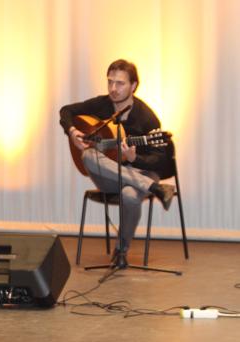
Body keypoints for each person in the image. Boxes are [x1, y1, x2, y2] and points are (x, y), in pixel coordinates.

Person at [59, 59, 175, 268]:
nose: (113, 88)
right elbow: (65, 111)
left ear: (133, 86)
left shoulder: (147, 118)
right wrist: (73, 131)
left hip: (143, 171)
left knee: (130, 196)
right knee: (87, 156)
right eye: (110, 82)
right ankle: (155, 189)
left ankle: (121, 252)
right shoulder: (102, 105)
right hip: (110, 175)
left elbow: (161, 159)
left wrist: (134, 159)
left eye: (120, 83)